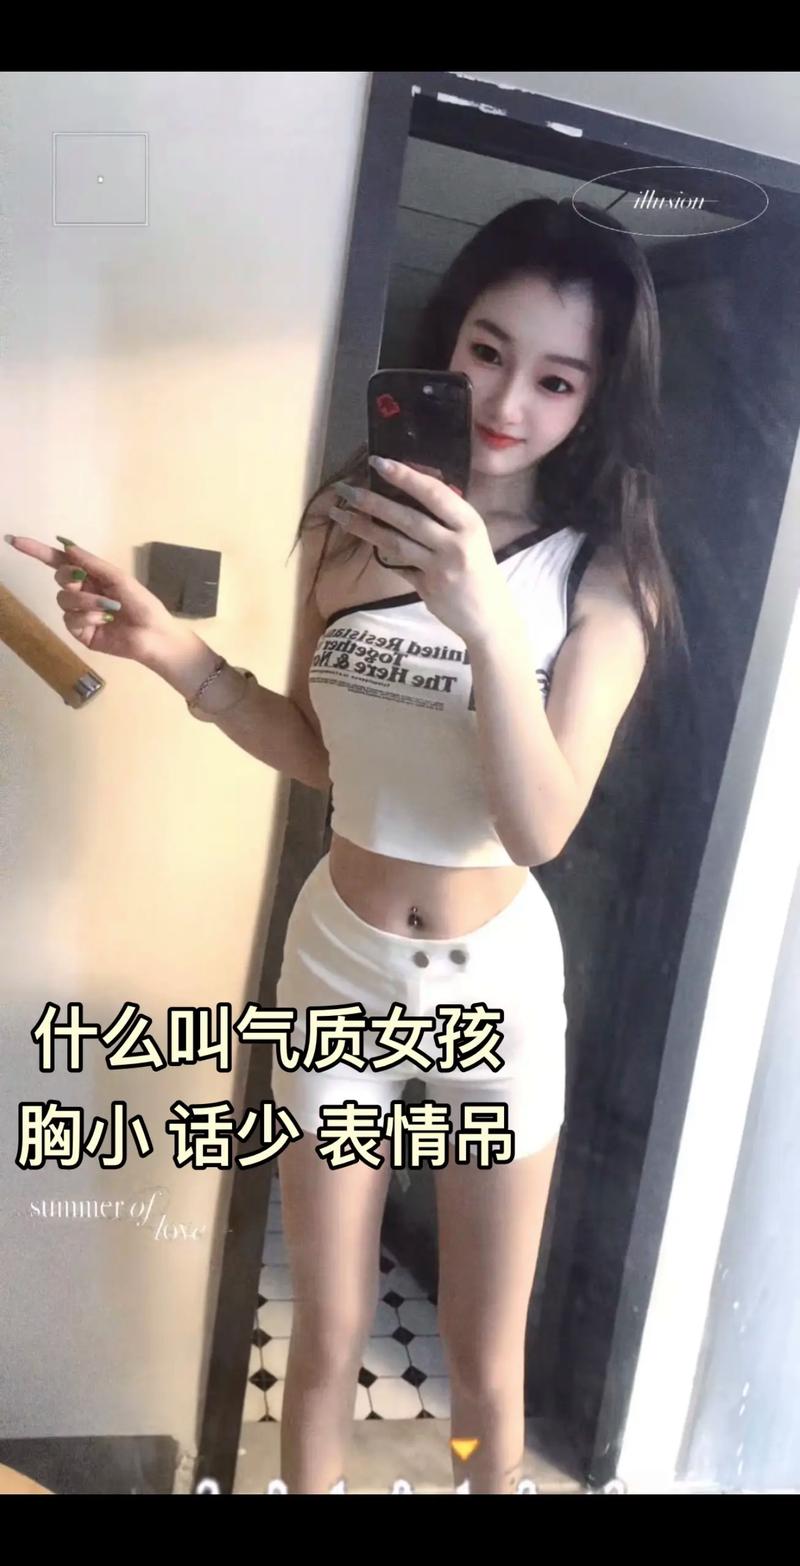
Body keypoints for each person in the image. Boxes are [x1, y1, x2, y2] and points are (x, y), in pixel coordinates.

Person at [6, 198, 685, 1495]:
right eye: (488, 351)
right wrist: (171, 650)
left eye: (558, 379)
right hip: (339, 966)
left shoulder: (604, 578)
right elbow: (324, 753)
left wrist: (485, 618)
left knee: (484, 1366)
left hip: (495, 986)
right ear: (447, 341)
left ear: (597, 398)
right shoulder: (345, 526)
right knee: (321, 1331)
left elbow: (541, 824)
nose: (509, 403)